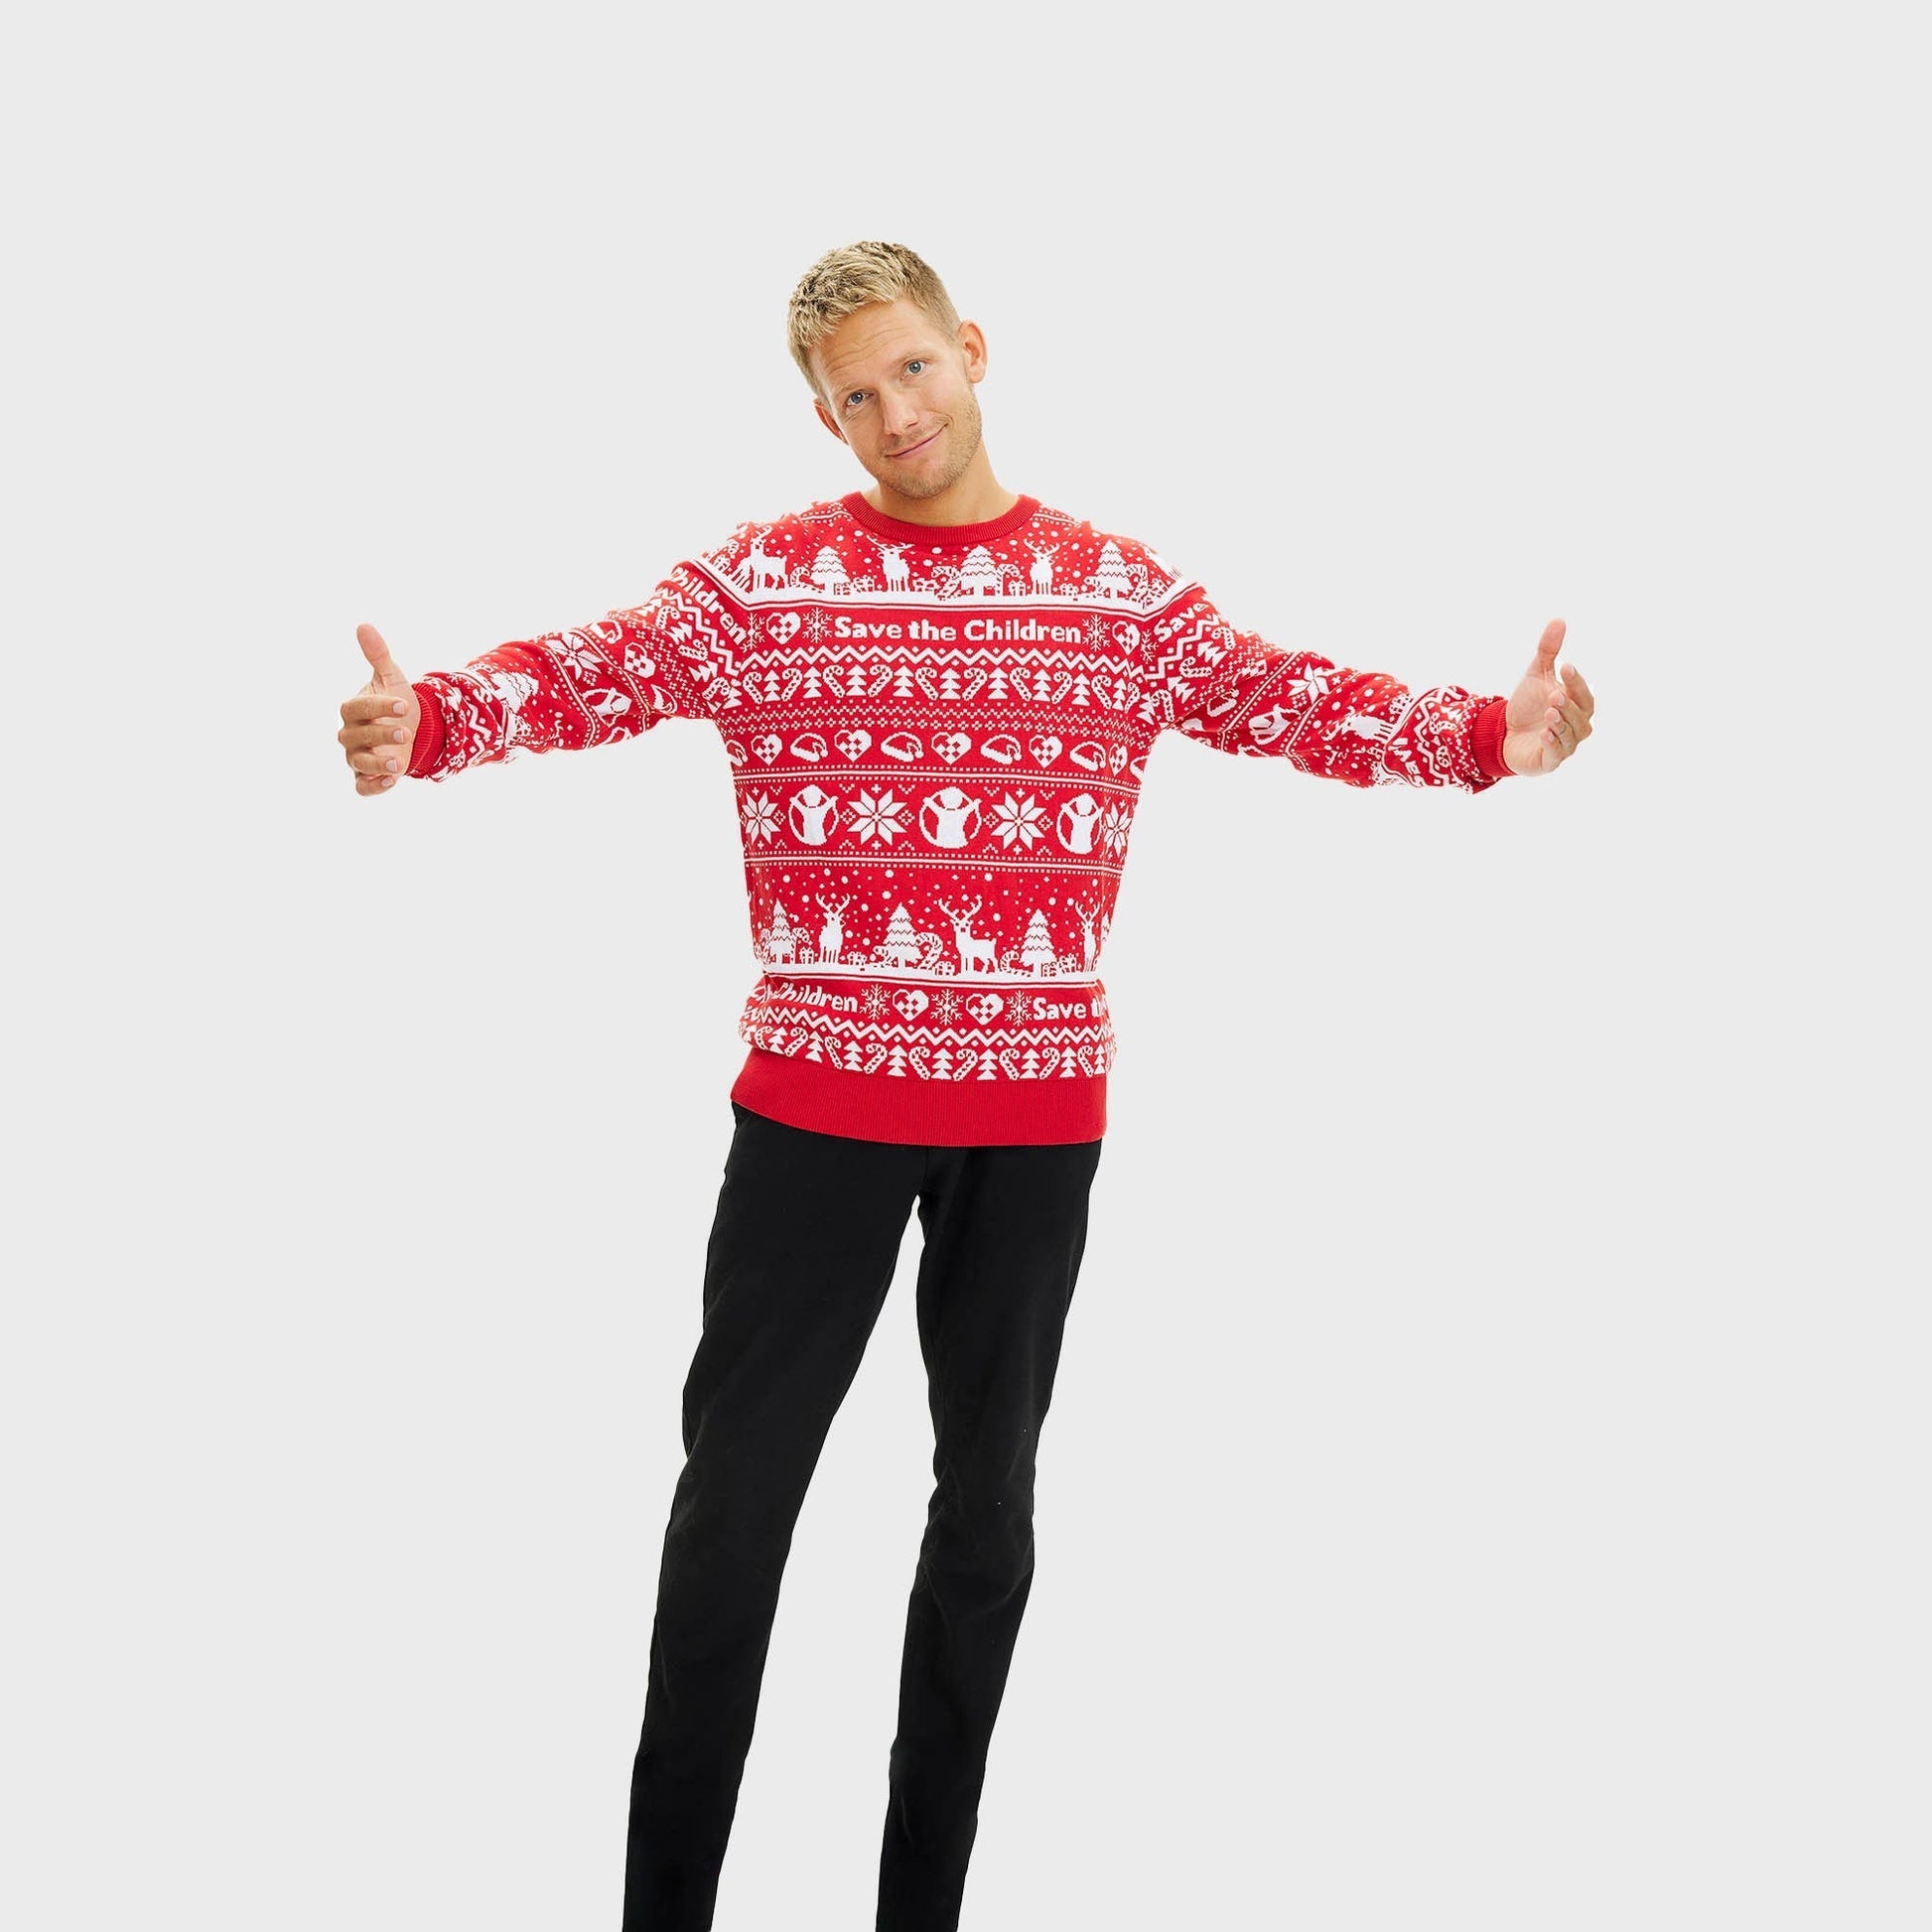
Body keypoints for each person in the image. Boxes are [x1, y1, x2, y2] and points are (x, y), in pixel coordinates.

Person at [336, 239, 1594, 1931]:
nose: (893, 414)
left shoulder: (1115, 594)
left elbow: (1285, 698)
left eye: (911, 369)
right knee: (731, 1518)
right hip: (814, 1115)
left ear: (972, 350)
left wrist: (1484, 735)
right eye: (853, 395)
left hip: (1031, 1123)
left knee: (985, 1516)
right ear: (823, 417)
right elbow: (591, 671)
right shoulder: (764, 585)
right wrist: (432, 721)